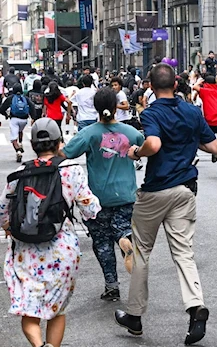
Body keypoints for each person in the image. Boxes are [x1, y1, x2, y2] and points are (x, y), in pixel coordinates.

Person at [114, 63, 217, 345]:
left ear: (150, 86)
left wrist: (137, 152)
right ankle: (196, 307)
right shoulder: (192, 112)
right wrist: (188, 141)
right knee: (184, 253)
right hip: (185, 190)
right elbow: (214, 147)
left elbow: (154, 144)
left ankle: (135, 316)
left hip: (156, 191)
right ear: (176, 85)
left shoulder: (151, 113)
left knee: (141, 253)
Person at [1, 118, 101, 347]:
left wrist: (8, 228)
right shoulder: (72, 171)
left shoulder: (20, 173)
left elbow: (2, 212)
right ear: (59, 143)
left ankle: (39, 345)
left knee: (29, 312)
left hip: (26, 251)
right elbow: (90, 208)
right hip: (62, 250)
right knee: (57, 311)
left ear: (33, 145)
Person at [61, 87, 143, 302]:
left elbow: (66, 154)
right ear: (116, 107)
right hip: (126, 194)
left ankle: (111, 286)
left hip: (98, 199)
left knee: (102, 242)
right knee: (122, 228)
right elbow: (148, 147)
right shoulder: (131, 132)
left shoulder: (89, 133)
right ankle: (125, 239)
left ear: (95, 107)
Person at [0, 84, 35, 162]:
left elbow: (1, 109)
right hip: (24, 120)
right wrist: (33, 117)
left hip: (14, 119)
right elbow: (32, 106)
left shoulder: (11, 98)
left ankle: (18, 151)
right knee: (20, 130)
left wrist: (6, 115)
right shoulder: (25, 98)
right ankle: (20, 142)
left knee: (13, 138)